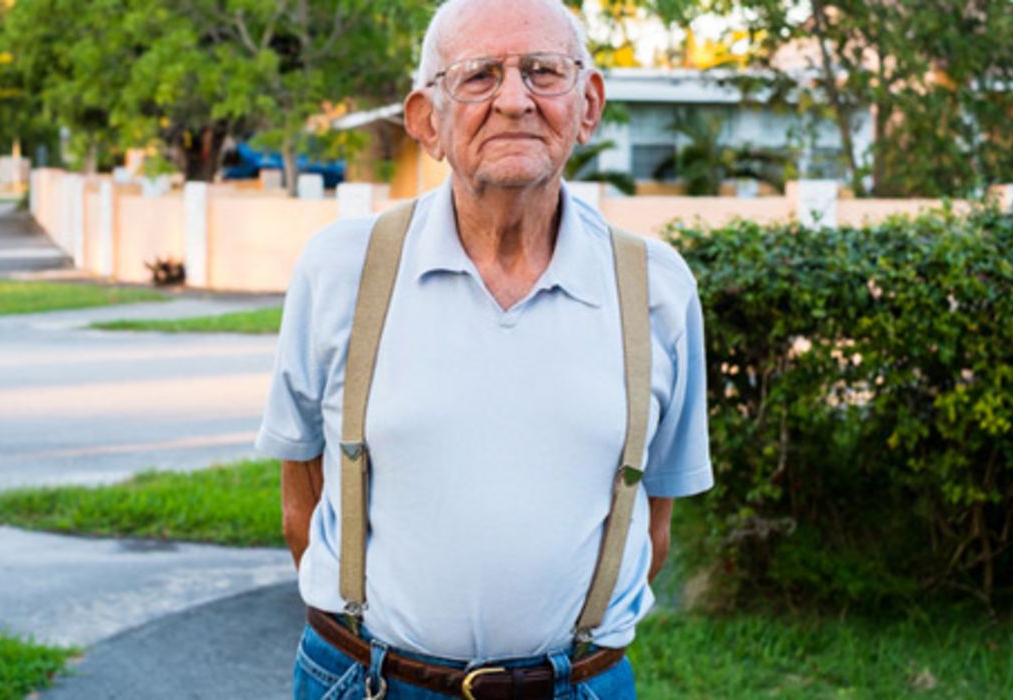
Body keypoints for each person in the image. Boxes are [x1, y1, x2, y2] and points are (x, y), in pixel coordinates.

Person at [254, 0, 712, 697]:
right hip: (365, 680)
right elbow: (301, 501)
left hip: (578, 686)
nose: (513, 100)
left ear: (586, 105)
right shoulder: (340, 269)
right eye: (476, 77)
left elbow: (652, 523)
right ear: (424, 120)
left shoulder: (654, 287)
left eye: (541, 71)